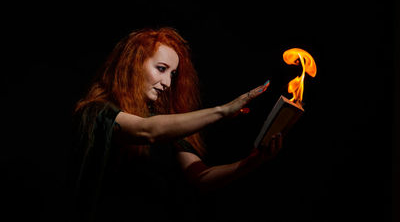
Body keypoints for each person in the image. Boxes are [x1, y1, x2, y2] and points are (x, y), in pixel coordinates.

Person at [68, 27, 283, 221]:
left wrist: (253, 161)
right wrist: (223, 111)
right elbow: (146, 131)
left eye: (172, 74)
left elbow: (201, 177)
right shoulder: (96, 111)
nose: (168, 83)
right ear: (132, 64)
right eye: (161, 69)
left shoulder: (167, 124)